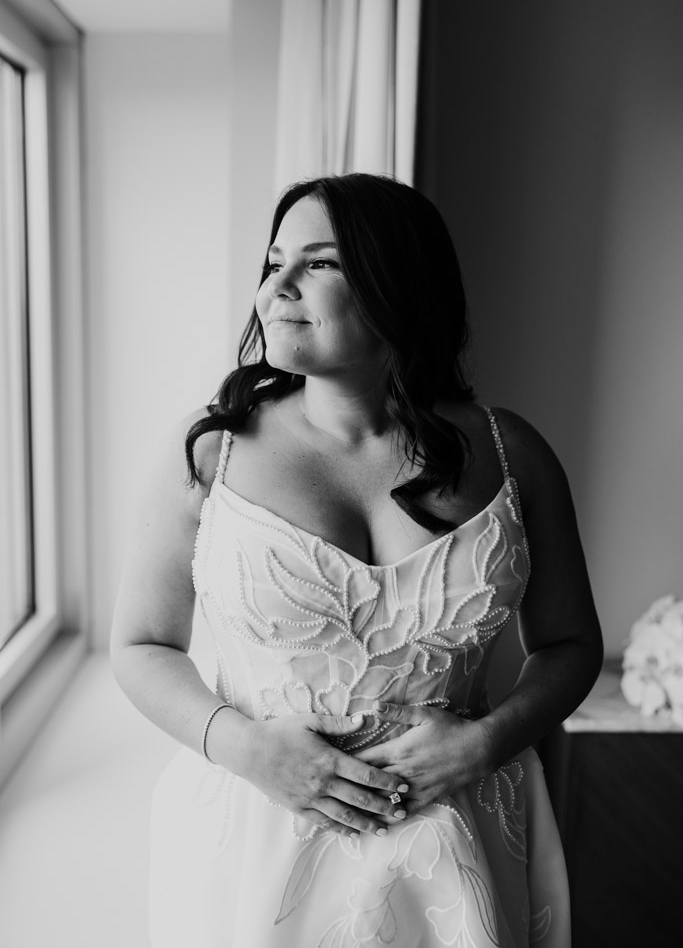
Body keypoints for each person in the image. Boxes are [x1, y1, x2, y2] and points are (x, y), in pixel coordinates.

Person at [111, 173, 602, 948]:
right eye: (274, 262)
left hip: (457, 837)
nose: (278, 286)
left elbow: (570, 647)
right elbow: (141, 645)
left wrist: (485, 742)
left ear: (397, 285)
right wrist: (247, 749)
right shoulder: (212, 455)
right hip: (258, 841)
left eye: (320, 263)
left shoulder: (514, 455)